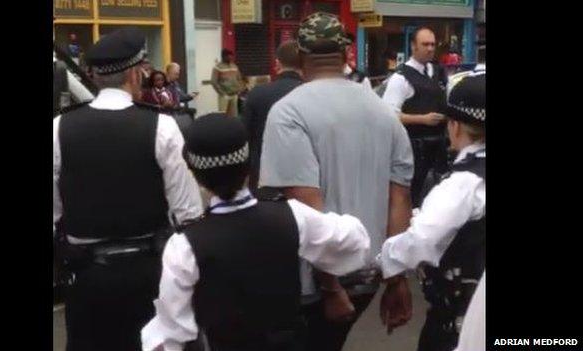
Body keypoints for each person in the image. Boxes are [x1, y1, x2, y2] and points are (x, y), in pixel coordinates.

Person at [141, 113, 373, 351]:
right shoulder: (292, 216)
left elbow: (173, 332)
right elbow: (356, 242)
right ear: (249, 165)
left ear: (195, 175)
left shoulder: (185, 245)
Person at [259, 12, 414, 351]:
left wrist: (330, 287)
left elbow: (306, 208)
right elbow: (399, 199)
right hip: (367, 274)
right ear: (346, 55)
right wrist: (396, 277)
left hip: (316, 282)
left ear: (300, 57)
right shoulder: (385, 114)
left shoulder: (288, 112)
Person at [53, 28, 204, 351]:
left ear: (93, 75)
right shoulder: (163, 126)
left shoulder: (58, 128)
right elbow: (188, 213)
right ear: (136, 74)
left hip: (87, 276)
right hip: (150, 271)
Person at [376, 71, 486, 351]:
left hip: (463, 319)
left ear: (456, 126)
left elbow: (420, 241)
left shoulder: (462, 184)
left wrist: (382, 259)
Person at [382, 27, 450, 208]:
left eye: (433, 44)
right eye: (425, 44)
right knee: (410, 198)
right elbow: (388, 115)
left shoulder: (438, 72)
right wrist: (422, 119)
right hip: (413, 148)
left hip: (439, 148)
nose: (430, 48)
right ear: (413, 46)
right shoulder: (400, 78)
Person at [242, 40, 303, 190]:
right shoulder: (311, 93)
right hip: (304, 178)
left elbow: (245, 136)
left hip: (264, 175)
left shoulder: (257, 94)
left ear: (277, 64)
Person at [211, 49, 244, 117]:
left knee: (234, 116)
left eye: (231, 56)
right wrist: (222, 93)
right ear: (223, 56)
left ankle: (233, 127)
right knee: (223, 115)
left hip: (234, 95)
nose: (231, 57)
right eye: (228, 56)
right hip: (224, 96)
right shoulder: (218, 67)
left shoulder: (234, 66)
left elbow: (239, 78)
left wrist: (239, 89)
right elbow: (214, 82)